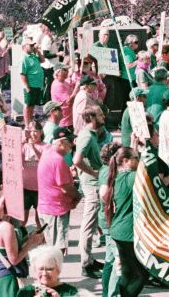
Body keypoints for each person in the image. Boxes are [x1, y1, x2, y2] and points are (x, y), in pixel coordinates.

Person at [102, 147, 147, 297]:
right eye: (136, 157)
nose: (139, 160)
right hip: (128, 232)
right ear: (126, 161)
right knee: (141, 275)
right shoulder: (131, 177)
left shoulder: (115, 176)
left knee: (127, 273)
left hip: (118, 230)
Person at [37, 127, 79, 259]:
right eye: (70, 141)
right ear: (61, 142)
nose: (72, 144)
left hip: (45, 207)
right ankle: (53, 278)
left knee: (50, 248)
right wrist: (78, 196)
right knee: (57, 251)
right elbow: (66, 187)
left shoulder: (48, 150)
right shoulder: (58, 160)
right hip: (56, 210)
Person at [74, 109, 106, 278]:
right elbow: (77, 160)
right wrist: (93, 173)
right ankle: (85, 263)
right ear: (92, 117)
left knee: (92, 225)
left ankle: (90, 259)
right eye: (100, 115)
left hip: (92, 184)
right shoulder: (87, 136)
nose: (104, 117)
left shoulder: (89, 134)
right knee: (89, 224)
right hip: (92, 185)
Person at [0, 209, 46, 297]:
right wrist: (30, 243)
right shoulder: (6, 227)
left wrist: (29, 237)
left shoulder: (6, 223)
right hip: (8, 281)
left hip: (7, 278)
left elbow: (15, 246)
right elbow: (14, 260)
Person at [16, 245, 83, 297]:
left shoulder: (71, 292)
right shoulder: (25, 292)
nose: (44, 273)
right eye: (41, 269)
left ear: (58, 270)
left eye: (49, 269)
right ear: (35, 270)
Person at [21, 42, 45, 126]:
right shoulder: (24, 58)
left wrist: (38, 51)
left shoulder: (33, 56)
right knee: (28, 105)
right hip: (31, 85)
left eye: (33, 45)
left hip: (37, 85)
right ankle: (27, 124)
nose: (32, 47)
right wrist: (27, 86)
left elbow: (43, 60)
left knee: (32, 105)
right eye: (30, 45)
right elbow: (22, 73)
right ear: (25, 46)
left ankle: (30, 122)